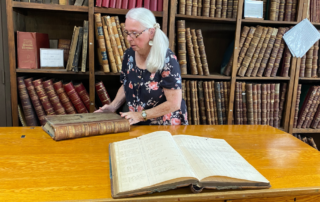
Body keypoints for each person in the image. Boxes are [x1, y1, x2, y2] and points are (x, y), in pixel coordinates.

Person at [94, 8, 188, 125]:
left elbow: (174, 103)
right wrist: (113, 106)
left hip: (165, 126)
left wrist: (140, 115)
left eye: (134, 33)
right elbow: (127, 85)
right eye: (127, 32)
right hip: (137, 121)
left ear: (151, 33)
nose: (128, 38)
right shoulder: (129, 55)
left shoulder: (167, 59)